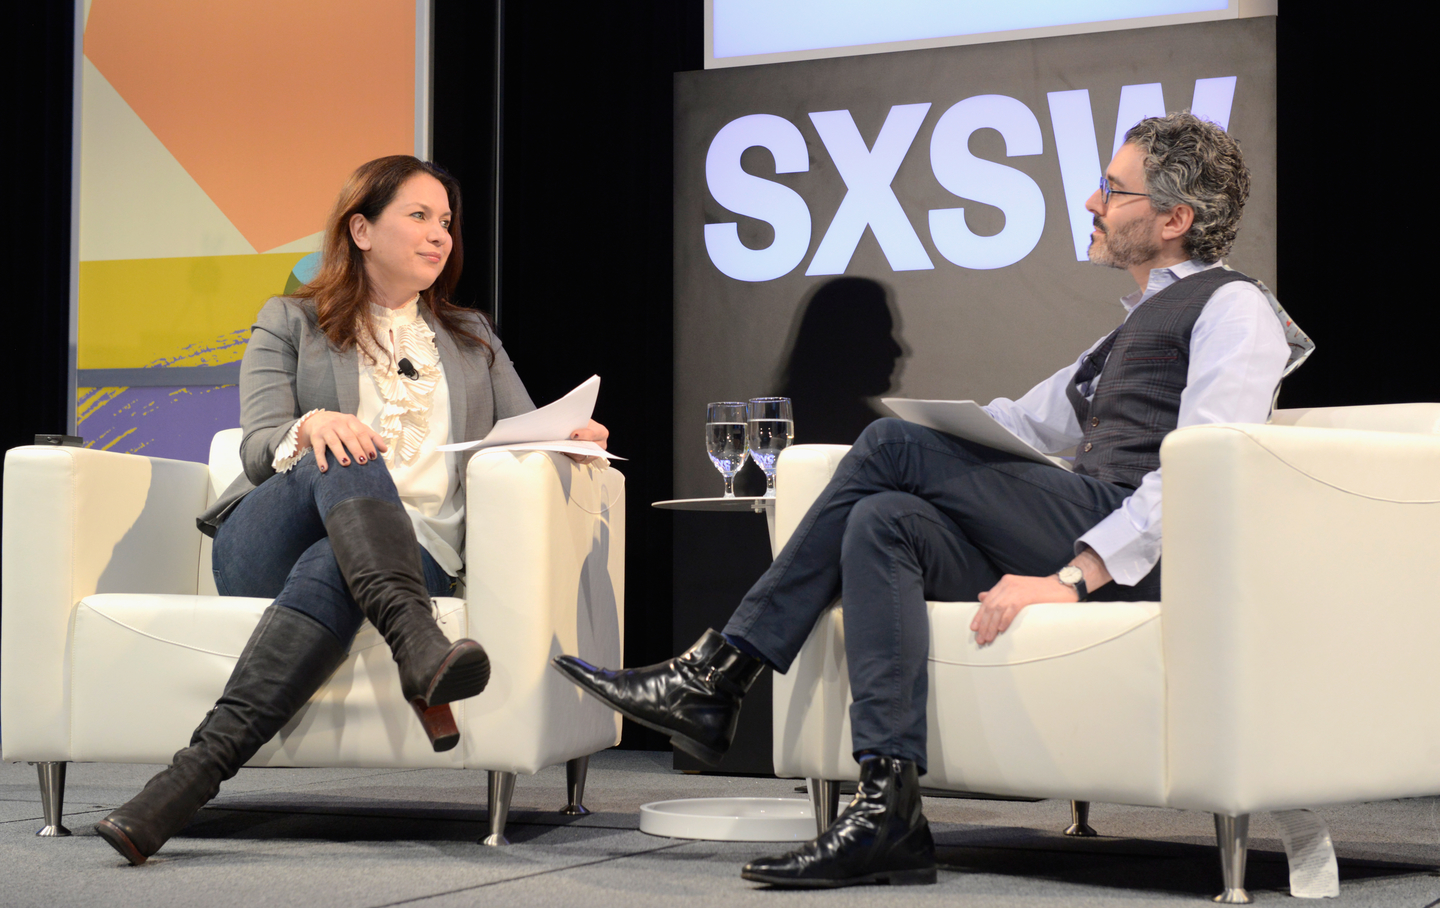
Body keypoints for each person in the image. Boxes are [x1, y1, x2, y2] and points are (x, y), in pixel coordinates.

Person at [553, 112, 1307, 888]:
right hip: (1079, 514)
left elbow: (1206, 470)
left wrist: (1074, 576)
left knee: (887, 448)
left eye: (1114, 190)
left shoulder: (1235, 310)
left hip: (1130, 551)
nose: (1091, 201)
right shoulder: (1134, 325)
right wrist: (940, 433)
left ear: (1176, 218)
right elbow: (1021, 422)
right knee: (884, 522)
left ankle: (718, 675)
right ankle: (889, 811)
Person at [95, 155, 608, 866]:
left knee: (338, 563)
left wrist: (570, 434)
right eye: (420, 217)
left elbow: (526, 429)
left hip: (413, 549)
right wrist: (312, 427)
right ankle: (417, 642)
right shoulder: (290, 320)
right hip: (268, 538)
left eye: (448, 224)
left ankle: (186, 782)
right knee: (349, 448)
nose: (440, 237)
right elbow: (257, 445)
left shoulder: (470, 338)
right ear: (361, 229)